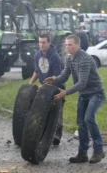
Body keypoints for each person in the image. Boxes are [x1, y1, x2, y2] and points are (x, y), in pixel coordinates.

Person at [44, 34, 105, 164]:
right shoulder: (69, 58)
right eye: (66, 45)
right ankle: (82, 154)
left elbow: (82, 83)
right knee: (81, 123)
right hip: (84, 95)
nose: (67, 47)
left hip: (96, 93)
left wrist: (65, 92)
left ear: (78, 45)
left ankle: (98, 150)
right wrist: (55, 80)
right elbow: (65, 76)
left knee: (89, 118)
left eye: (70, 45)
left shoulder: (85, 59)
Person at [28, 34, 64, 145]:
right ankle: (44, 133)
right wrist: (30, 84)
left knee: (57, 112)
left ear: (49, 43)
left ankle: (57, 135)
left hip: (57, 88)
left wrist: (46, 86)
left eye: (44, 42)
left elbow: (57, 77)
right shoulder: (37, 55)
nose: (41, 45)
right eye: (40, 42)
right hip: (43, 87)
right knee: (44, 111)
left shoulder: (55, 57)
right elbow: (37, 71)